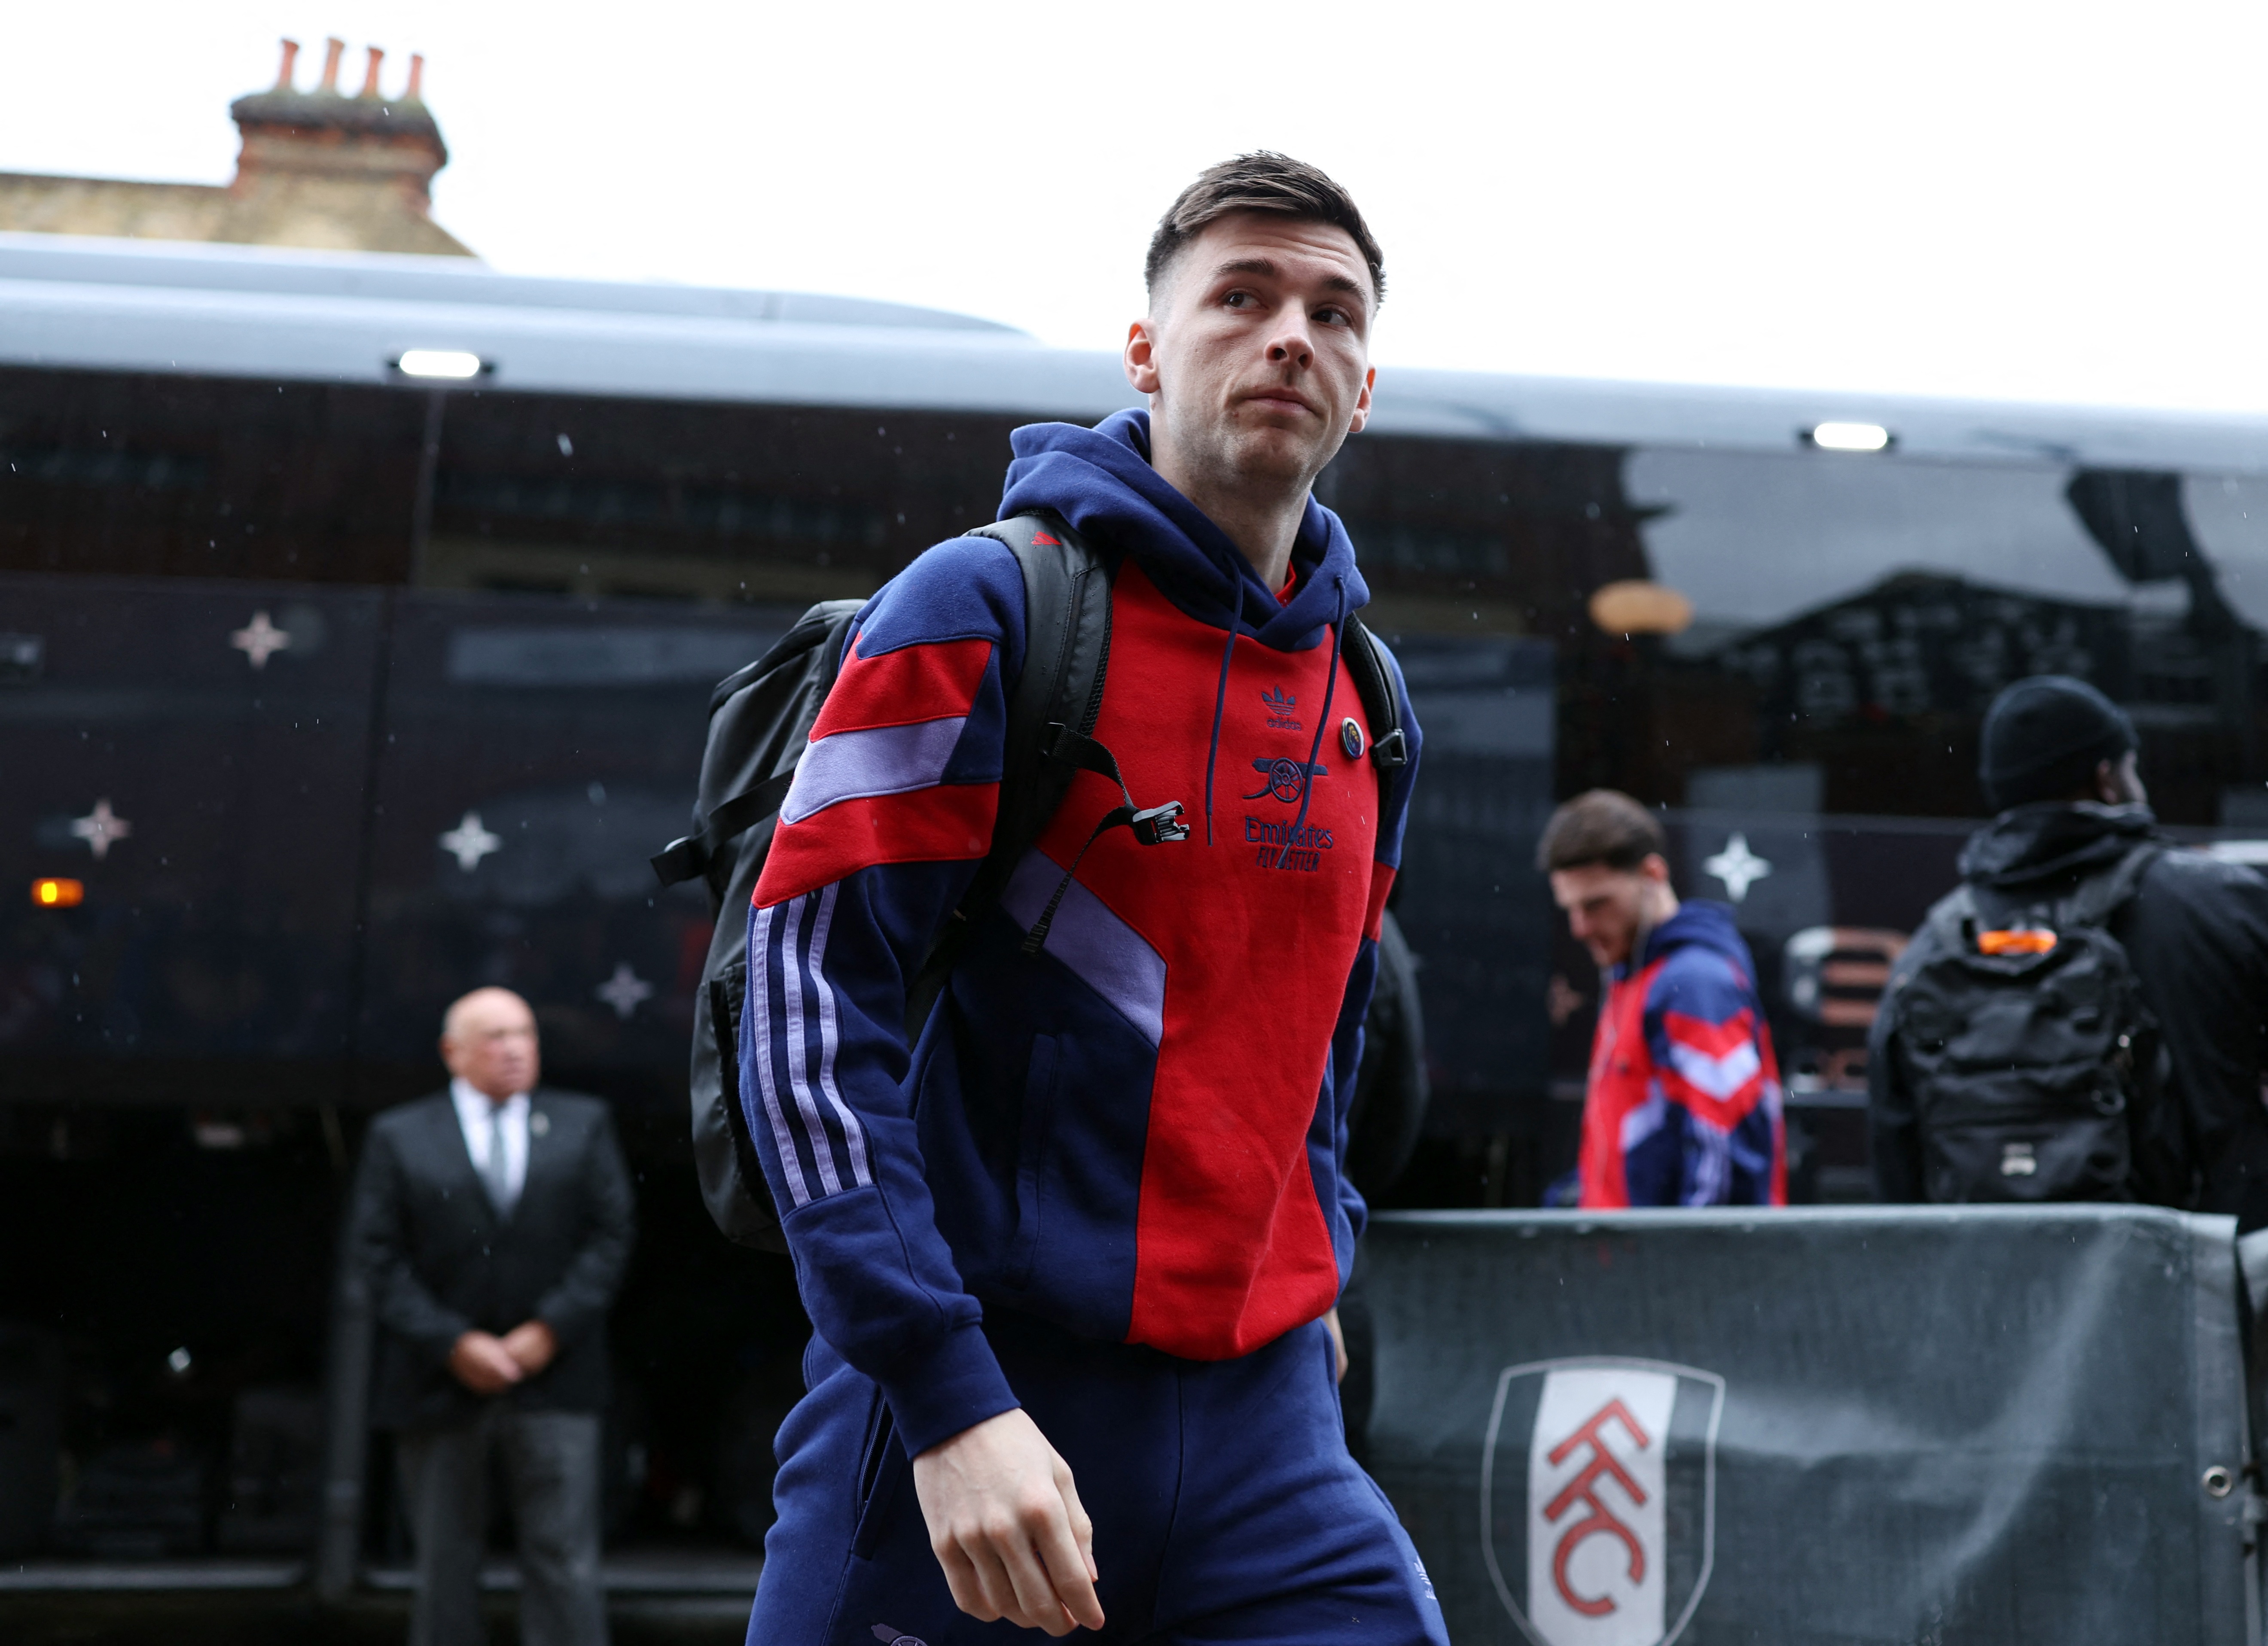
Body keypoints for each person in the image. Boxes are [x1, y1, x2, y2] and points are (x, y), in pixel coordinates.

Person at [740, 154, 1442, 1643]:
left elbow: (1322, 1033)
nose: (1290, 336)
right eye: (1239, 296)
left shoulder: (1370, 699)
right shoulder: (979, 605)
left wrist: (1318, 1248)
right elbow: (806, 1010)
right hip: (977, 1393)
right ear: (1143, 349)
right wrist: (944, 1398)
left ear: (1365, 389)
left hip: (1269, 1428)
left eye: (1333, 312)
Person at [1869, 675, 2268, 1222]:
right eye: (2131, 767)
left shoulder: (1932, 948)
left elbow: (1896, 1163)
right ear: (2107, 780)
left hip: (2000, 1272)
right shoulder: (2216, 903)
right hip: (2204, 1262)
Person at [352, 986, 636, 1646]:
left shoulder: (583, 1122)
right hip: (439, 1381)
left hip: (557, 1378)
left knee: (565, 1561)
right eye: (496, 1037)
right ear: (453, 1052)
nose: (515, 1049)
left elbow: (611, 1237)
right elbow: (376, 1258)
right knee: (443, 1566)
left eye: (525, 1034)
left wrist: (549, 1329)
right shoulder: (399, 1135)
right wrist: (453, 1342)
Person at [1539, 789, 1787, 1208]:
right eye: (1571, 909)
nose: (1580, 927)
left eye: (1596, 904)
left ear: (1652, 874)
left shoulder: (1693, 983)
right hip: (1634, 1246)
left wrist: (1670, 1254)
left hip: (1662, 1250)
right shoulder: (1639, 977)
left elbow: (1724, 1170)